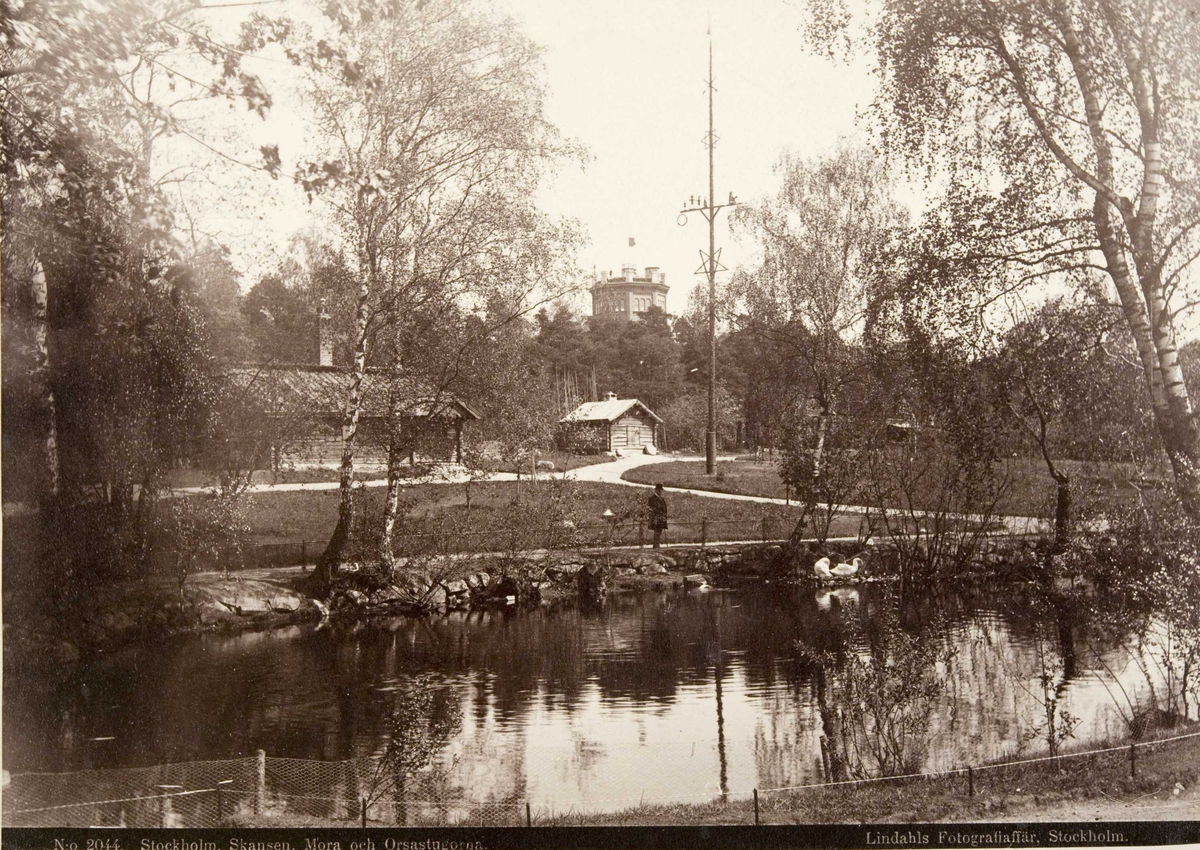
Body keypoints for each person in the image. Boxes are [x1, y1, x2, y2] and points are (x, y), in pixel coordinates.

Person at [648, 484, 668, 549]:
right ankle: (656, 546)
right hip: (656, 518)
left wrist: (664, 516)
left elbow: (664, 508)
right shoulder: (652, 498)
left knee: (659, 532)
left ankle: (657, 545)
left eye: (661, 490)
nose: (660, 492)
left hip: (662, 518)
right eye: (659, 490)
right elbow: (652, 509)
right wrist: (656, 517)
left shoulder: (661, 498)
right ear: (656, 490)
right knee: (657, 532)